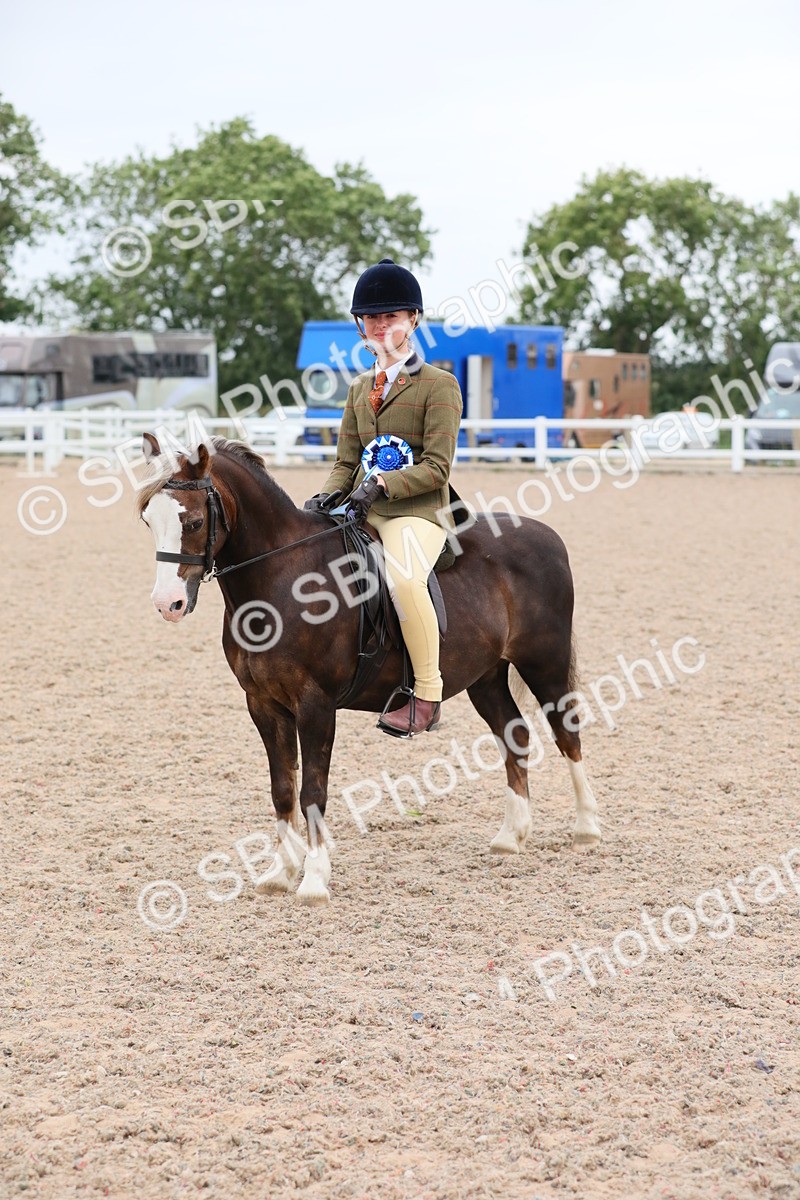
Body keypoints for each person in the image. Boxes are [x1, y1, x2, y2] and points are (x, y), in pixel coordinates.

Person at [304, 257, 463, 736]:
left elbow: (437, 467)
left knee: (403, 581)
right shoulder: (358, 389)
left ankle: (427, 695)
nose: (380, 325)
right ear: (359, 326)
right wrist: (324, 497)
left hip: (417, 512)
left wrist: (382, 485)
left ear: (412, 320)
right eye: (372, 318)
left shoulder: (439, 385)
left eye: (390, 317)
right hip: (358, 510)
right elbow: (346, 463)